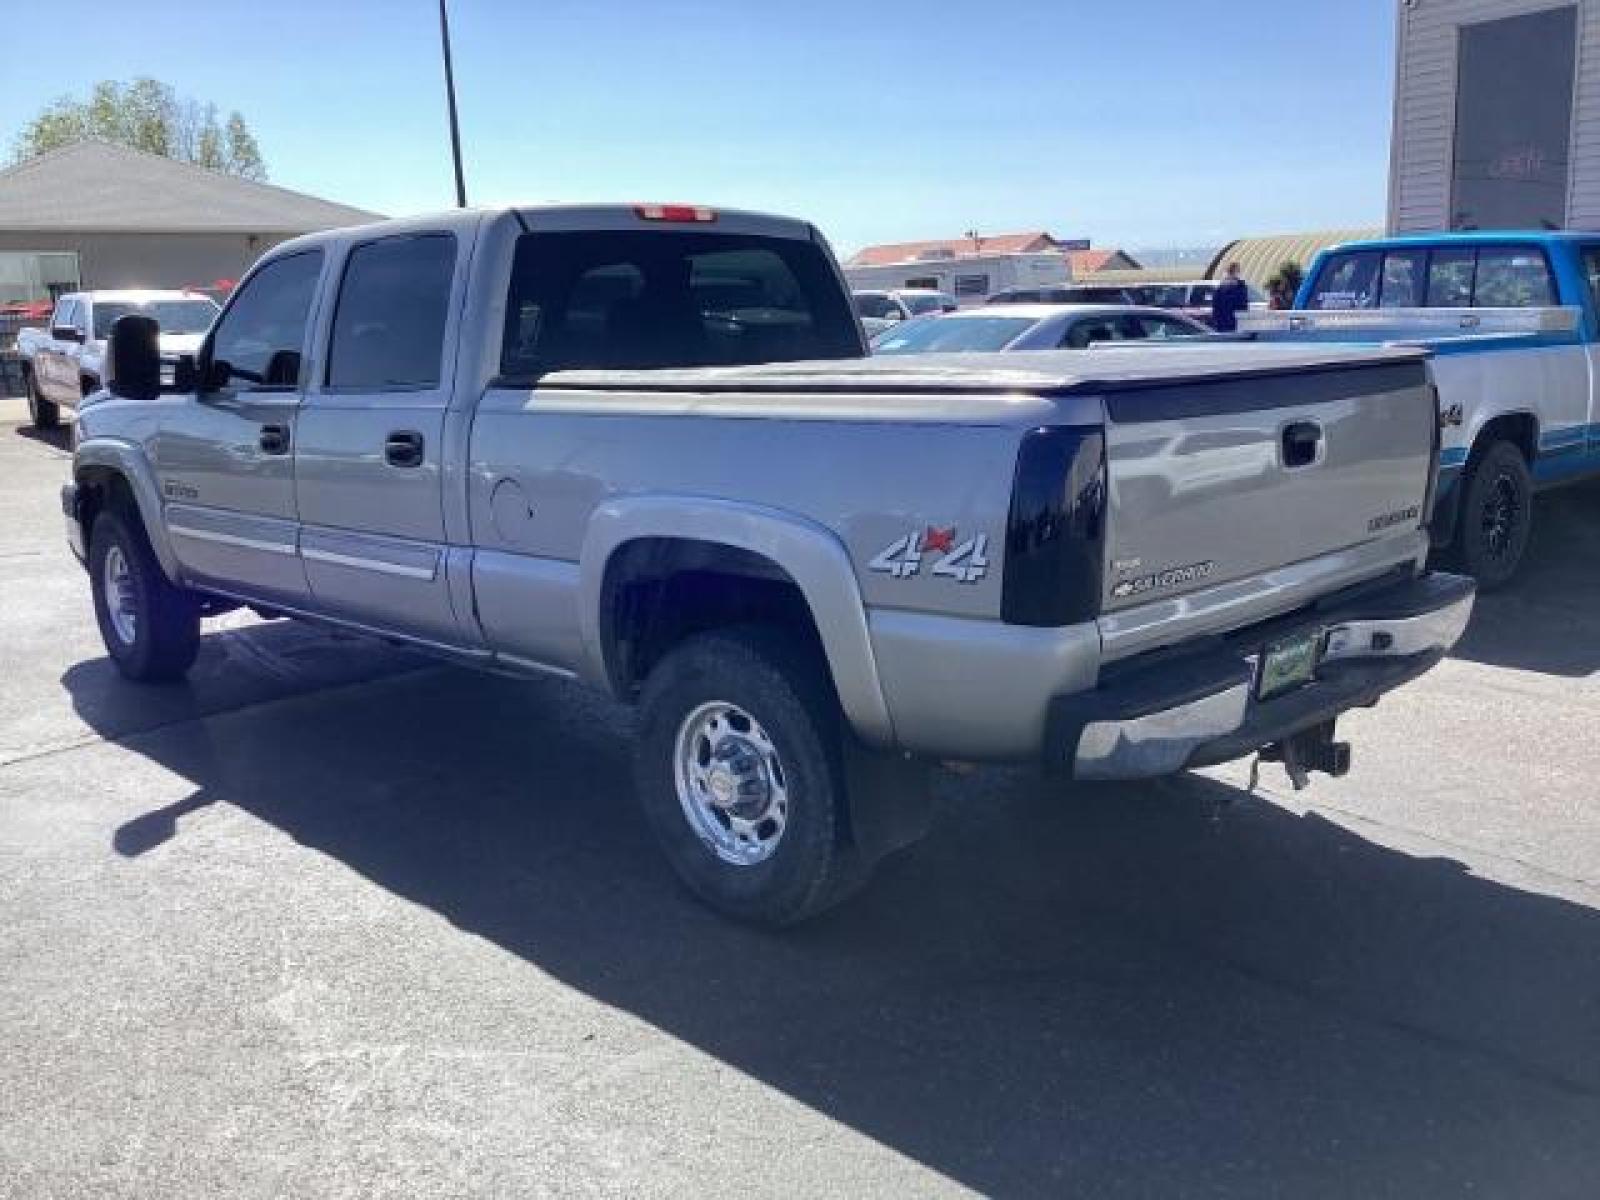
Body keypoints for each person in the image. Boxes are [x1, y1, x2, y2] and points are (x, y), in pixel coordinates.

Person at [1212, 261, 1249, 331]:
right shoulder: (1240, 285)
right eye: (1237, 270)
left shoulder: (1221, 286)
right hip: (1233, 318)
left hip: (1225, 319)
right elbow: (1244, 302)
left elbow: (1215, 304)